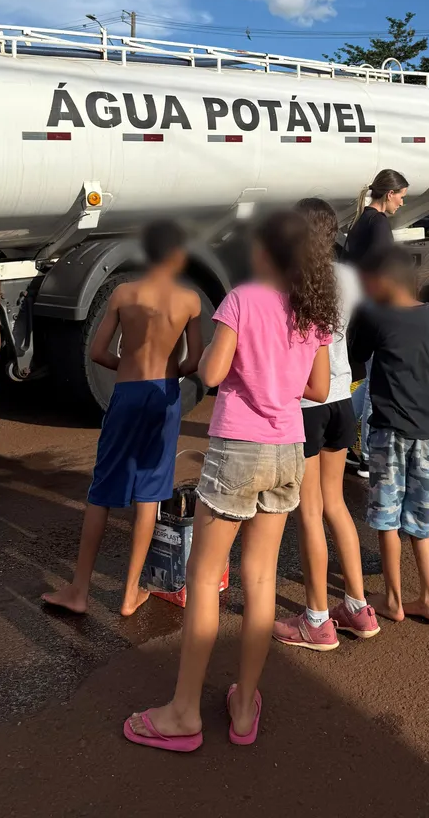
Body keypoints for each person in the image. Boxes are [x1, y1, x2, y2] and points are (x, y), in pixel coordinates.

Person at [123, 210, 337, 752]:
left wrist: (237, 364)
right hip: (289, 448)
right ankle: (244, 705)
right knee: (261, 579)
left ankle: (183, 712)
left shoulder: (242, 299)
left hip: (238, 447)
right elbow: (317, 388)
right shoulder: (313, 309)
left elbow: (212, 374)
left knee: (204, 577)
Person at [42, 221, 203, 617]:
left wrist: (127, 366)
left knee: (103, 491)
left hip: (127, 394)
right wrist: (169, 372)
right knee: (149, 494)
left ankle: (79, 590)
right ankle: (130, 593)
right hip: (163, 396)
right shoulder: (190, 301)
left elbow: (97, 352)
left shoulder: (123, 293)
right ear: (179, 256)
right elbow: (195, 360)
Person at [273, 198, 379, 652]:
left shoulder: (290, 280)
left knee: (309, 511)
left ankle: (316, 618)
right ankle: (357, 607)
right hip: (341, 399)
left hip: (307, 404)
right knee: (335, 505)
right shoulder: (344, 278)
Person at [348, 246, 429, 625]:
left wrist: (361, 311)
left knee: (387, 518)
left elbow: (356, 354)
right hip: (428, 433)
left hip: (389, 432)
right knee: (420, 521)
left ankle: (393, 601)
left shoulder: (375, 314)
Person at [344, 168, 409, 477]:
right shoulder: (379, 224)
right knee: (377, 383)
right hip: (374, 311)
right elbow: (384, 271)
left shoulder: (361, 222)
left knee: (369, 380)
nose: (402, 203)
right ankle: (369, 455)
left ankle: (341, 439)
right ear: (388, 195)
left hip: (359, 308)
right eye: (401, 197)